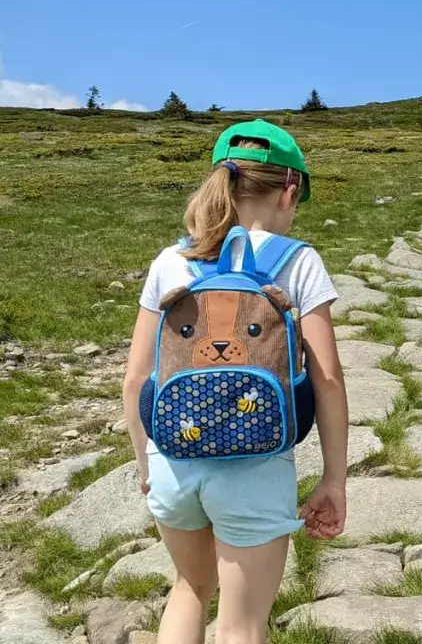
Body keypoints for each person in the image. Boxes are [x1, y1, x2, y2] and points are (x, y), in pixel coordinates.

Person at [121, 119, 349, 644]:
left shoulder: (171, 260)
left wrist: (147, 464)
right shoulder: (299, 261)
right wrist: (334, 479)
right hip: (256, 467)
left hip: (175, 459)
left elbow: (135, 377)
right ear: (289, 191)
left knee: (189, 589)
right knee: (242, 627)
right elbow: (329, 379)